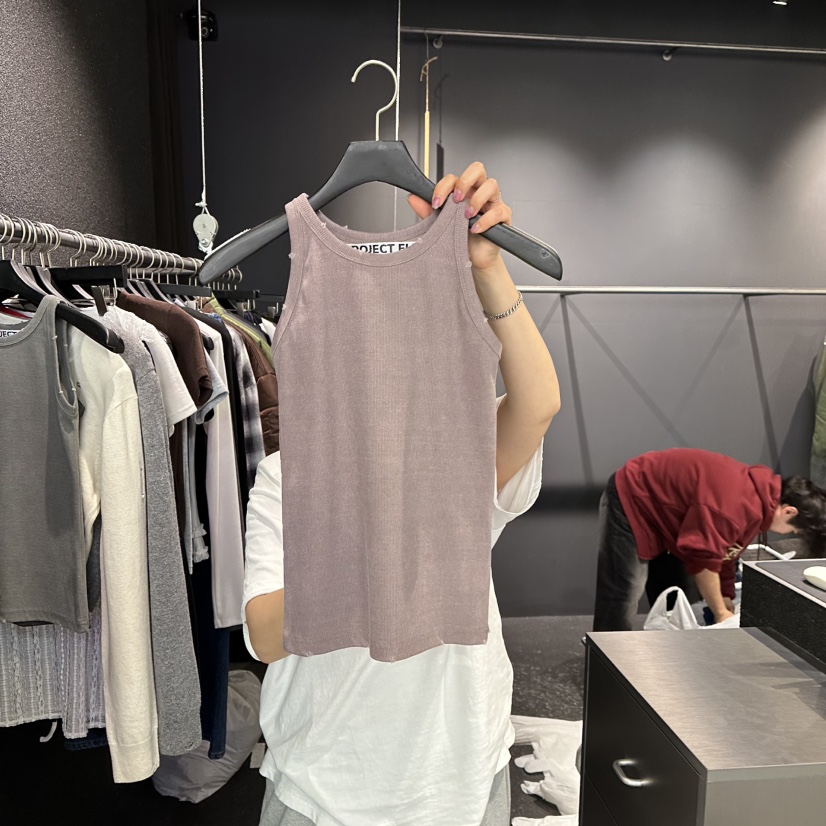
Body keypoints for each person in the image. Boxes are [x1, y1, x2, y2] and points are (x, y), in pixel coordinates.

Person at [243, 163, 561, 826]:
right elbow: (266, 636)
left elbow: (537, 405)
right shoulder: (284, 476)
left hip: (458, 775)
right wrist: (374, 534)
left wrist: (487, 267)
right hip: (324, 786)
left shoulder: (456, 458)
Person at [593, 447, 826, 631]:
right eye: (795, 530)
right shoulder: (734, 506)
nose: (791, 534)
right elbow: (704, 562)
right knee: (623, 592)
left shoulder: (760, 501)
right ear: (789, 511)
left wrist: (725, 597)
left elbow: (726, 553)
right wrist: (721, 612)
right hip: (634, 494)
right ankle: (603, 661)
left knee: (681, 599)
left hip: (670, 513)